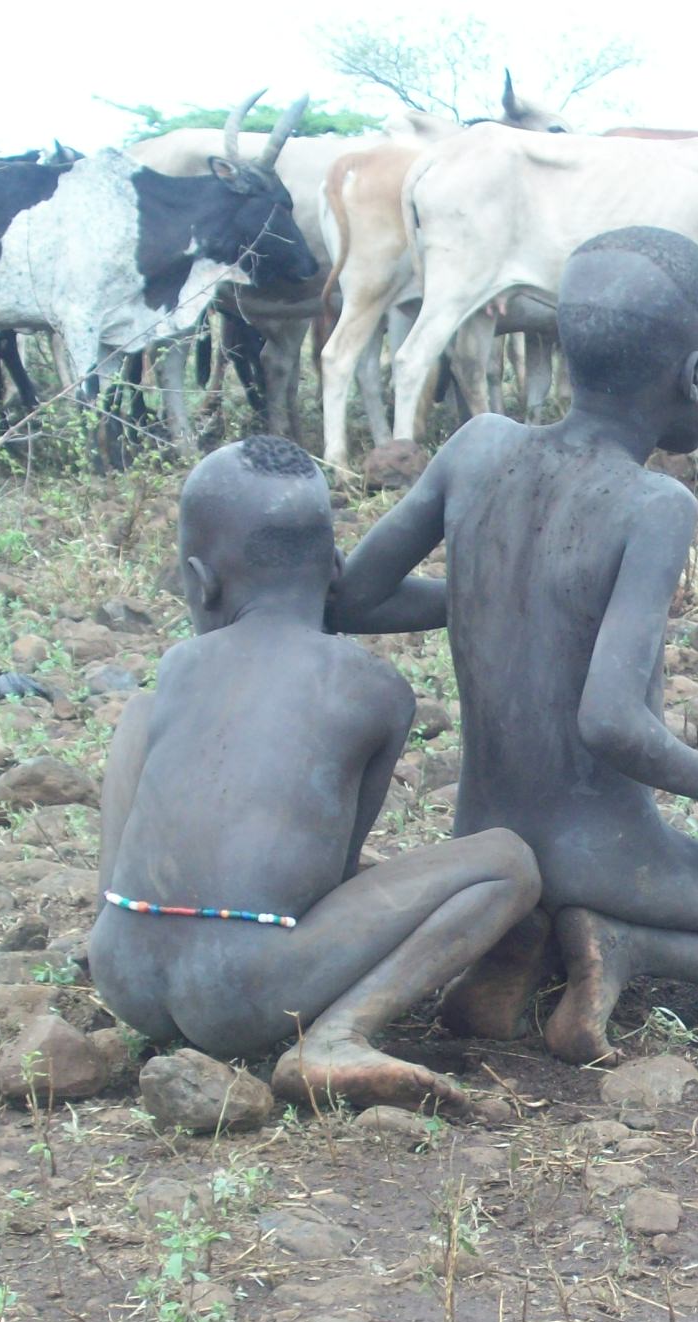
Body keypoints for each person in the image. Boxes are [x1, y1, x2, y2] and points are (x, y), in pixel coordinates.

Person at [332, 227, 698, 1066]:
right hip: (608, 858)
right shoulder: (650, 503)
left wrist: (506, 599)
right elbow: (611, 720)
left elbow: (352, 596)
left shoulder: (477, 445)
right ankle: (628, 946)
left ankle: (528, 942)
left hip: (484, 844)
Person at [88, 434, 541, 1111]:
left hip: (121, 974)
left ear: (200, 580)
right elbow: (330, 873)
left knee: (140, 714)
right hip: (248, 997)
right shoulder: (377, 689)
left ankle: (104, 920)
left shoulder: (179, 667)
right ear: (334, 568)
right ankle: (337, 1036)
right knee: (509, 862)